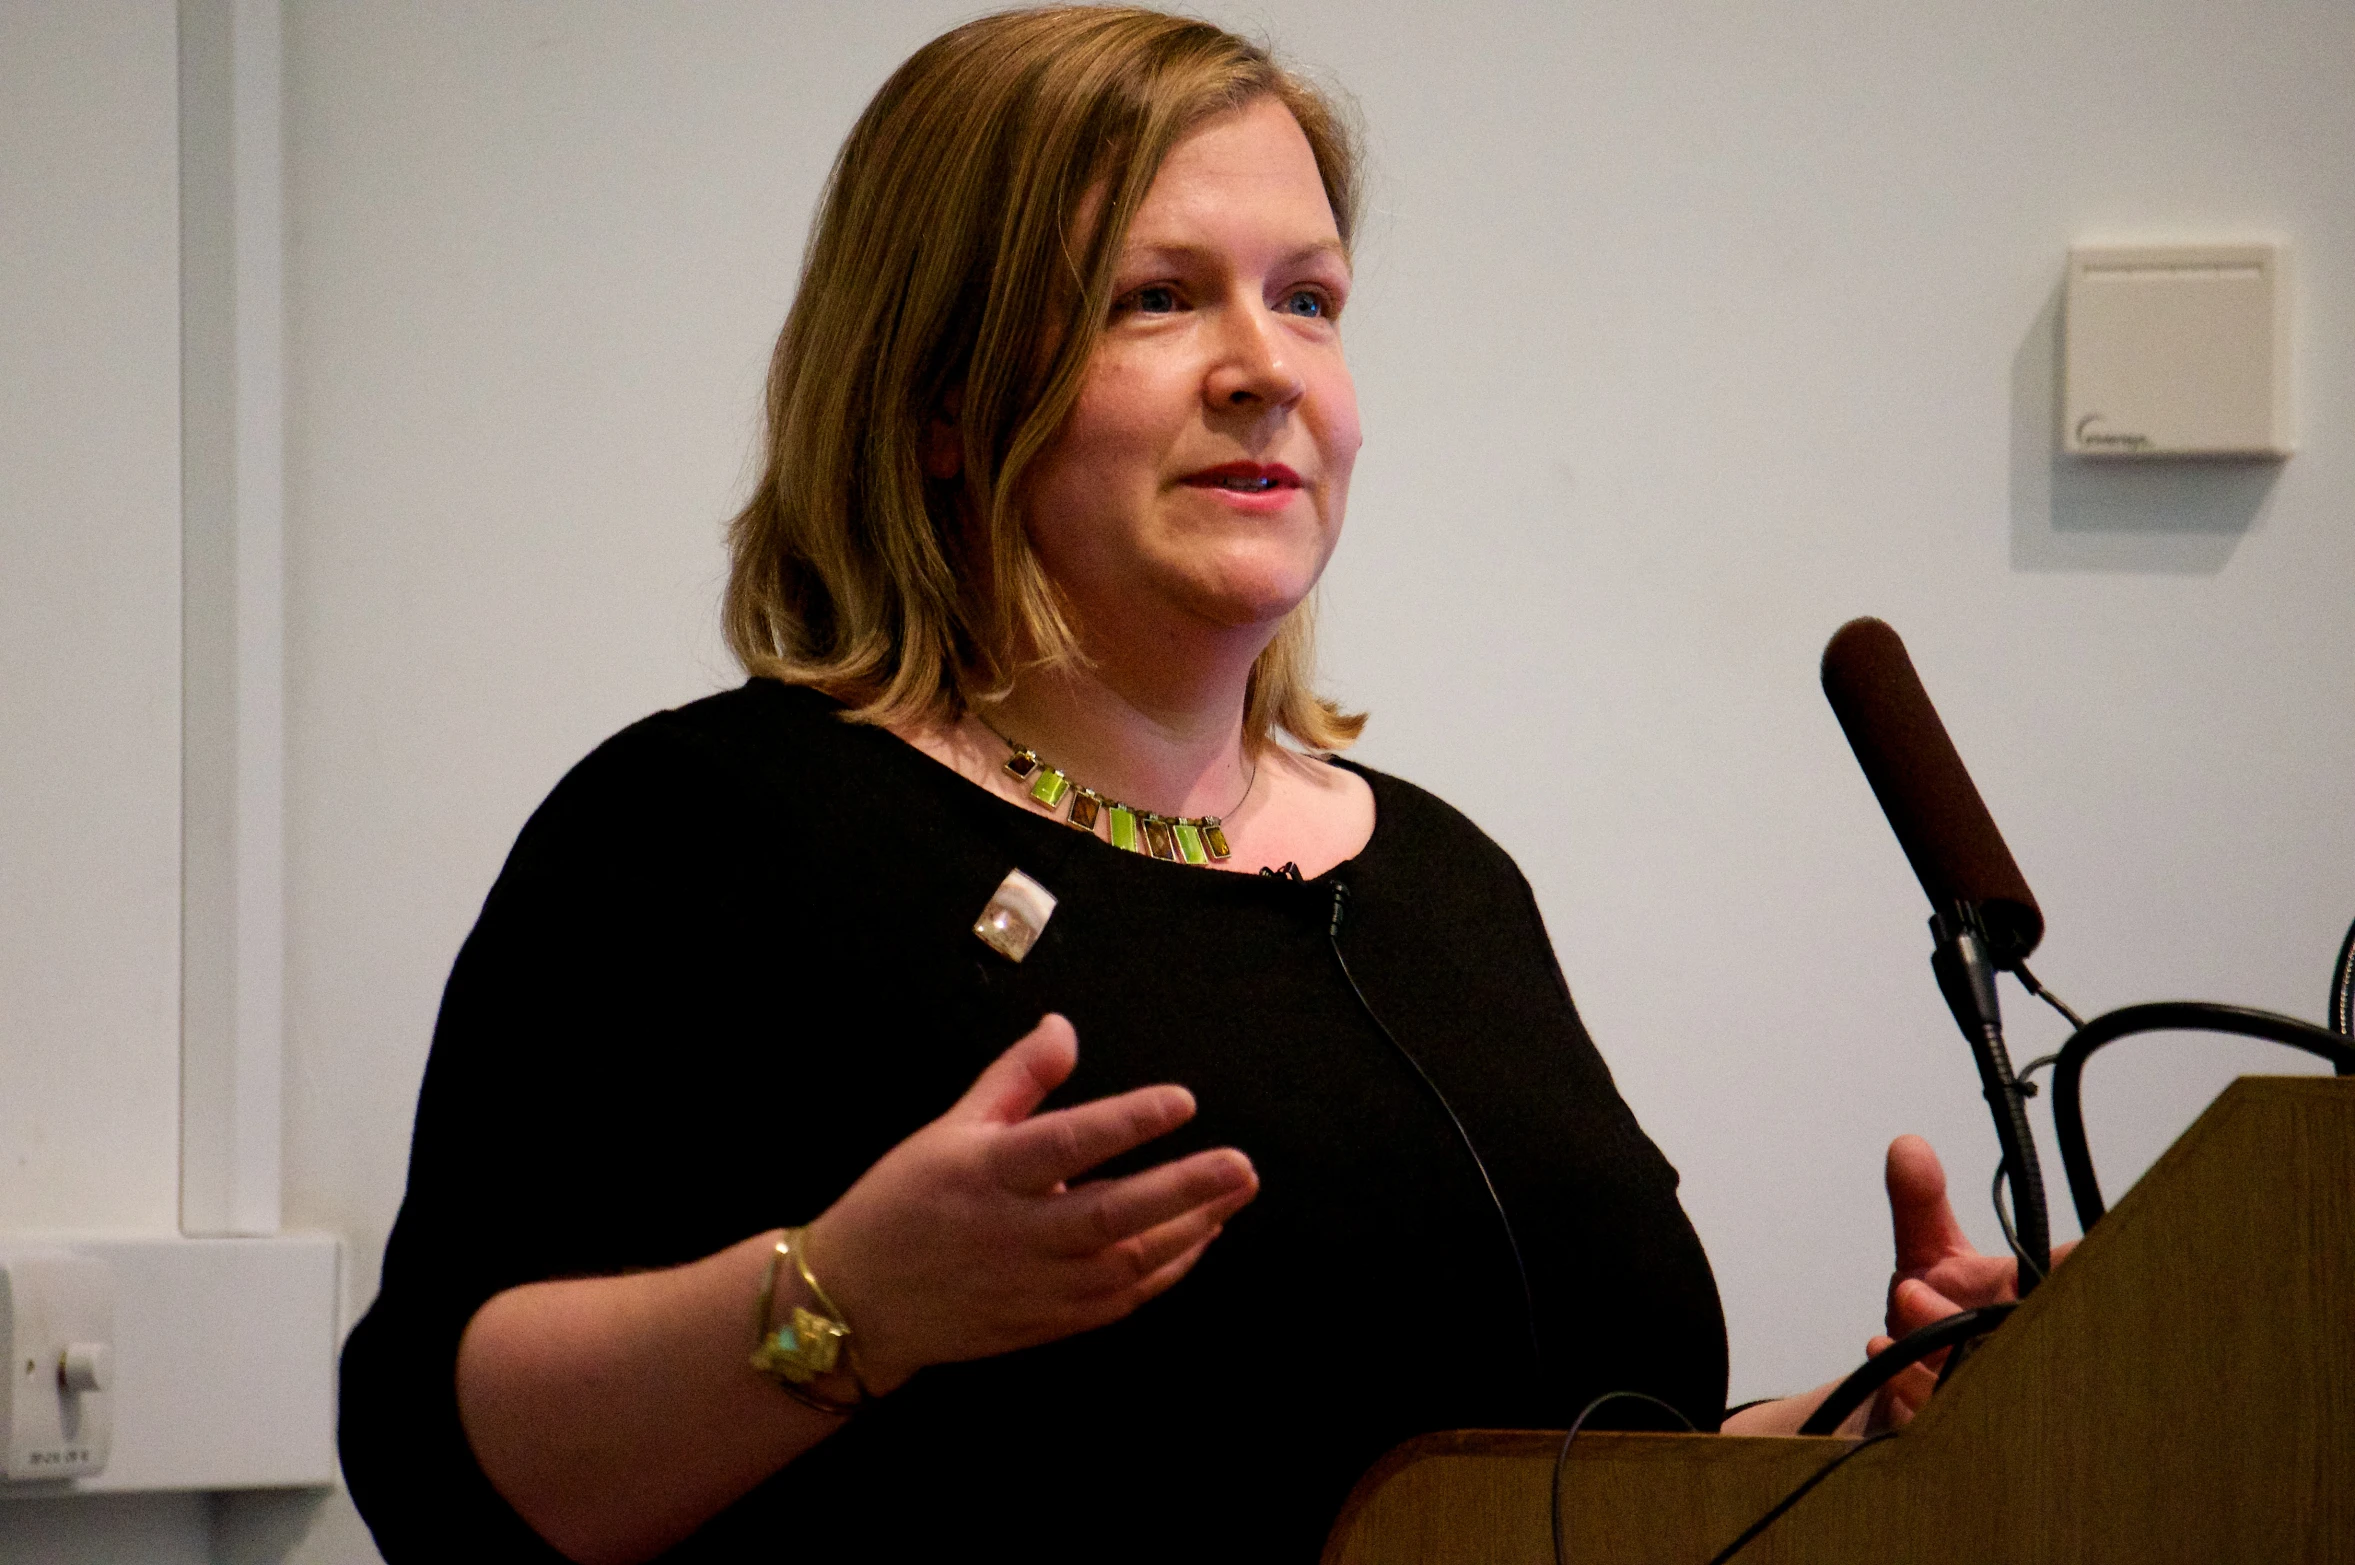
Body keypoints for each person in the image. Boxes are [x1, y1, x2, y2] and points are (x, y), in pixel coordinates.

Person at [337, 9, 2035, 1563]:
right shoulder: (713, 833)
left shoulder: (1445, 882)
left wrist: (1844, 1437)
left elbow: (1555, 1461)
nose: (1266, 368)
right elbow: (442, 1466)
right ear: (941, 398)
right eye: (1157, 298)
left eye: (1308, 298)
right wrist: (849, 1304)